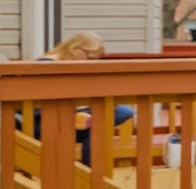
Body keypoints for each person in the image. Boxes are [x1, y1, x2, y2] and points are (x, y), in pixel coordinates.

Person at [27, 33, 136, 162]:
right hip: (44, 120)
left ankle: (89, 174)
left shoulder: (68, 65)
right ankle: (91, 176)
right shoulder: (47, 64)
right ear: (75, 48)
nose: (92, 63)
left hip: (67, 116)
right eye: (90, 58)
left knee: (113, 116)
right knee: (108, 118)